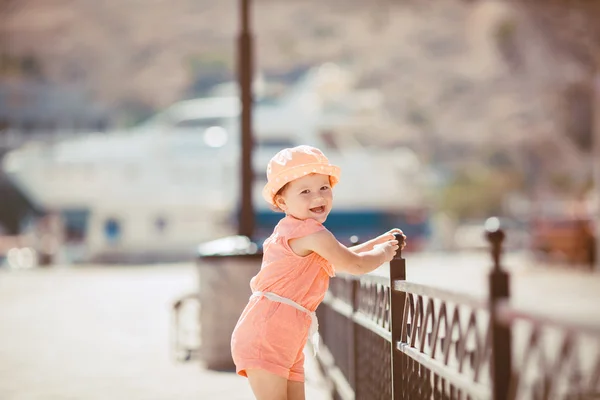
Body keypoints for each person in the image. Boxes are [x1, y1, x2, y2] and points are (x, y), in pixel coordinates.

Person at [230, 145, 406, 400]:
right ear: (282, 201)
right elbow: (355, 265)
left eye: (324, 188)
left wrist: (379, 242)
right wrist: (386, 252)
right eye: (305, 191)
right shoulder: (309, 232)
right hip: (267, 335)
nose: (318, 197)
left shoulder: (297, 229)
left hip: (283, 335)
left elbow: (340, 257)